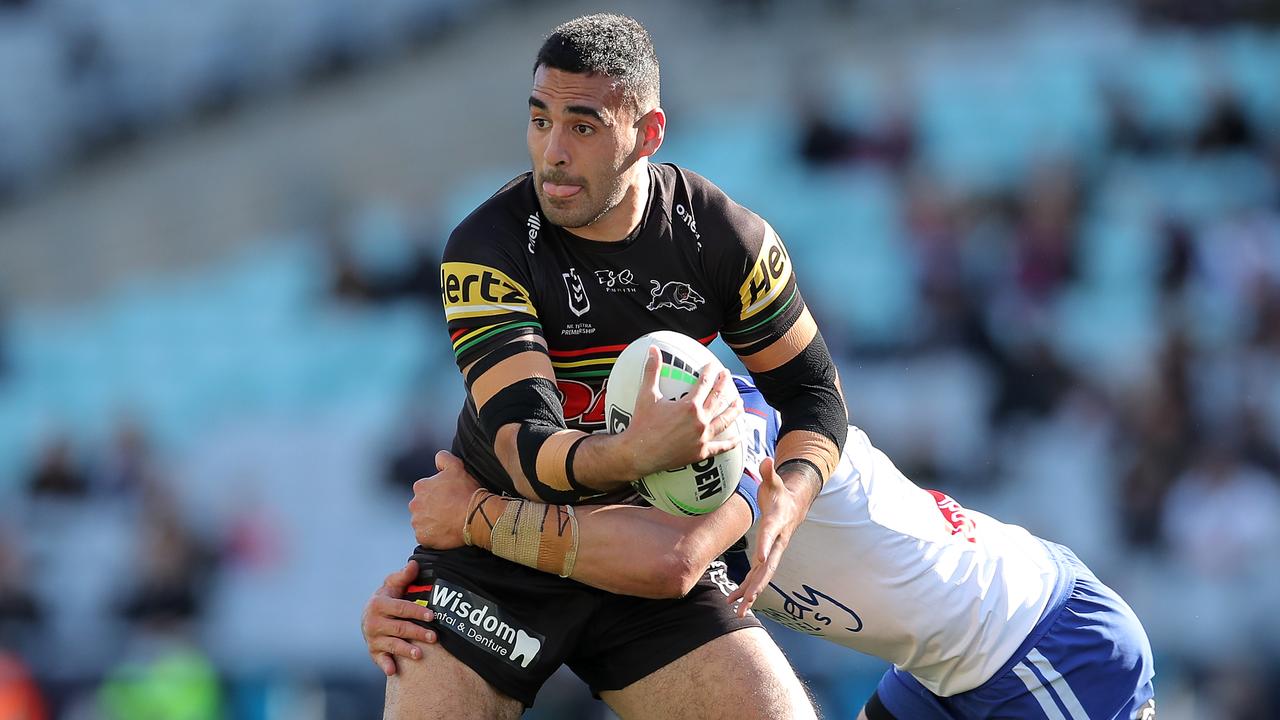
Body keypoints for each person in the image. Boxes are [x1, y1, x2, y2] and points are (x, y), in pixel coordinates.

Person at [388, 13, 848, 719]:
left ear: (648, 133)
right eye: (539, 120)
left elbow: (813, 392)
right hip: (492, 552)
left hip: (635, 550)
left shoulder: (727, 239)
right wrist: (638, 449)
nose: (553, 153)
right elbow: (525, 448)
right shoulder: (488, 246)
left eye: (583, 126)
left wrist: (790, 488)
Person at [366, 376, 1157, 720]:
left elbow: (669, 563)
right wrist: (418, 595)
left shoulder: (747, 424)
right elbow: (565, 557)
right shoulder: (627, 471)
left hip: (1041, 637)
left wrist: (474, 519)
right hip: (938, 670)